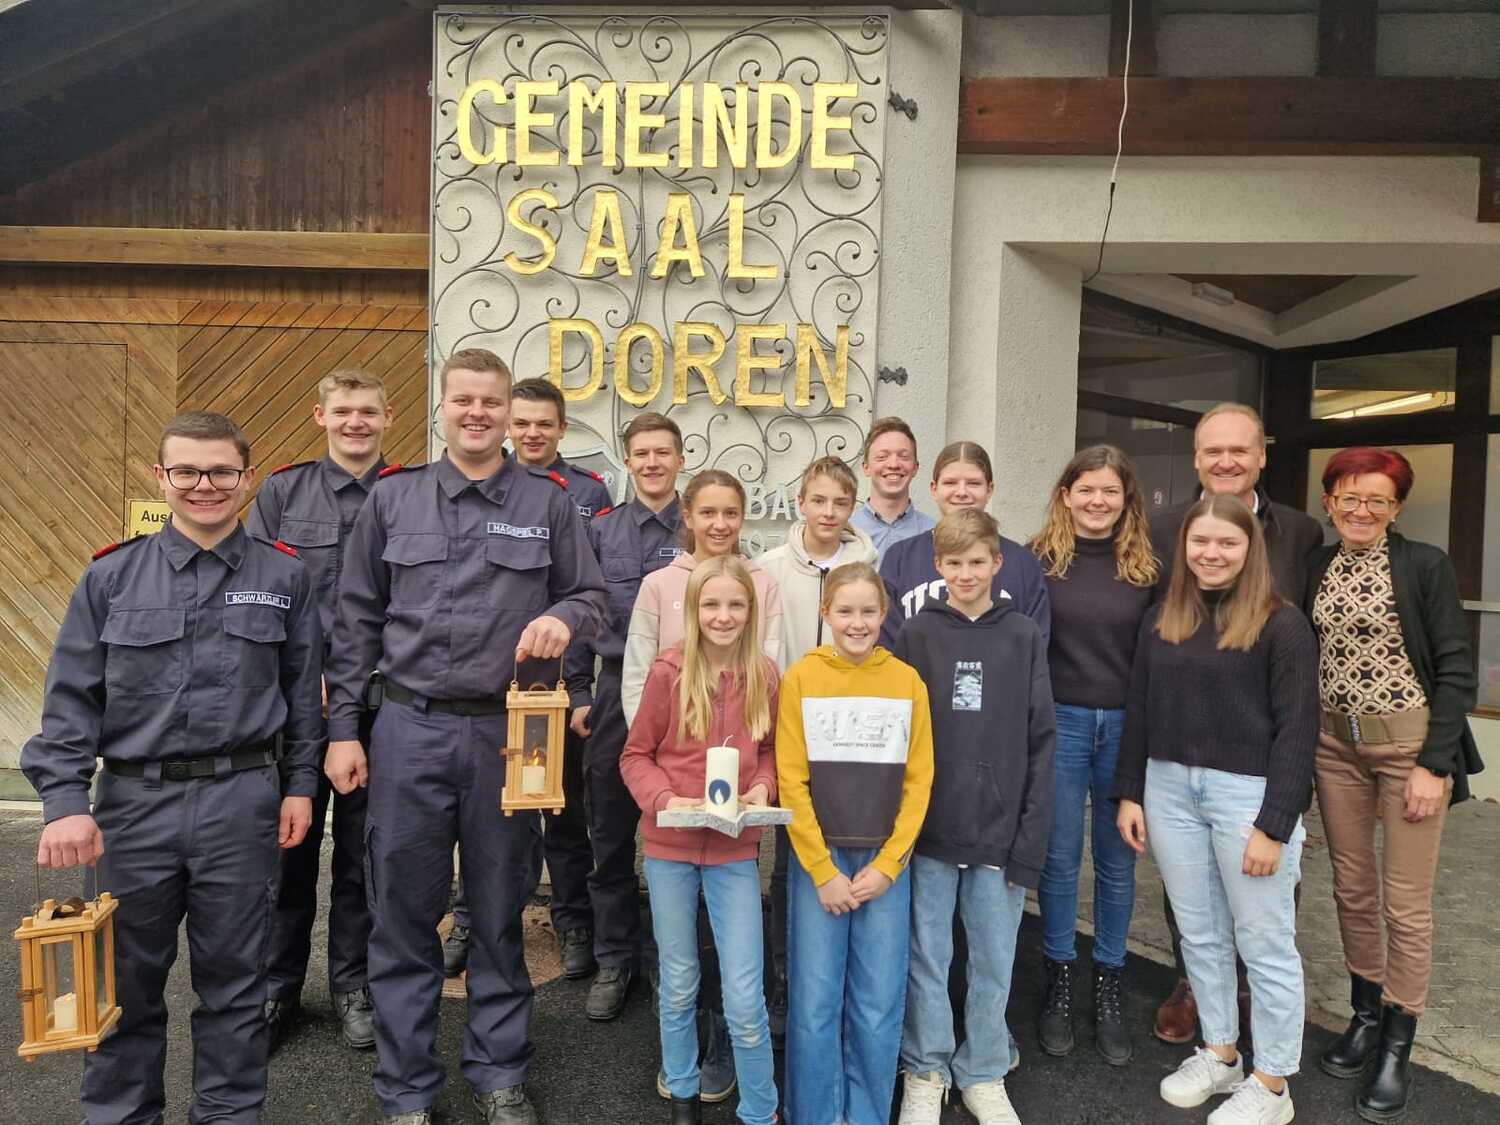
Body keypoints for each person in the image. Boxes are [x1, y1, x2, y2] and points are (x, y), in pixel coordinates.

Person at [323, 347, 606, 1125]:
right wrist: (343, 730)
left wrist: (565, 616)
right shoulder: (394, 499)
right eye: (463, 400)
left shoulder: (548, 503)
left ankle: (499, 1072)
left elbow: (592, 596)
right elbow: (355, 621)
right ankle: (407, 1088)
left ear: (507, 411)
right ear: (442, 407)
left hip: (510, 736)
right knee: (403, 916)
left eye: (490, 401)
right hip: (408, 729)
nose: (477, 413)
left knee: (499, 911)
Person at [22, 411, 323, 1124]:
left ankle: (227, 1115)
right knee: (120, 988)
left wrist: (301, 786)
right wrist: (65, 802)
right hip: (133, 808)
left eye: (221, 471)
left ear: (248, 478)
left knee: (237, 989)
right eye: (186, 470)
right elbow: (70, 700)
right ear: (161, 477)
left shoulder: (286, 576)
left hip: (242, 803)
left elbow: (303, 695)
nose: (204, 485)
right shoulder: (111, 576)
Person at [1114, 495, 1318, 1125]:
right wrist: (1130, 791)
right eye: (1200, 541)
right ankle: (1222, 1052)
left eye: (1227, 543)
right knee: (1199, 933)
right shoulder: (1162, 618)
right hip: (1169, 789)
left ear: (1250, 549)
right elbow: (1140, 708)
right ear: (1184, 548)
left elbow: (1298, 730)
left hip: (1247, 796)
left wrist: (1274, 824)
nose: (1212, 553)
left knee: (1264, 942)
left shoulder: (1282, 624)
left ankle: (1273, 1084)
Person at [1305, 447, 1483, 1122]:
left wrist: (1436, 765)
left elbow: (1457, 667)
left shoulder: (1424, 565)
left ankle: (1397, 1042)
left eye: (1377, 499)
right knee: (1351, 888)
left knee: (1405, 905)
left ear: (1396, 507)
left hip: (1409, 750)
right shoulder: (1317, 564)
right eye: (1349, 497)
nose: (1362, 510)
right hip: (1334, 747)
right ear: (1330, 501)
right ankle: (1365, 1015)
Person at [1147, 403, 1322, 1046]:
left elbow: (1307, 649)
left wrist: (1284, 804)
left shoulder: (1300, 533)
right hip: (1182, 749)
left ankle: (1255, 1006)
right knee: (1192, 898)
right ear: (1196, 458)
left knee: (1264, 902)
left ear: (1262, 456)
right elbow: (1151, 639)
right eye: (1213, 450)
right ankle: (1196, 987)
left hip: (1257, 753)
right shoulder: (1160, 528)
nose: (1226, 461)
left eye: (1239, 450)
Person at [622, 466, 783, 1104]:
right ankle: (684, 1094)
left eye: (735, 606)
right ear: (692, 610)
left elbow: (768, 753)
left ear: (751, 611)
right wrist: (666, 800)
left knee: (744, 995)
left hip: (735, 851)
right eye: (711, 605)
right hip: (669, 847)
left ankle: (761, 1108)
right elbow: (636, 756)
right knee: (680, 981)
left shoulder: (764, 675)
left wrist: (763, 788)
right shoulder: (668, 673)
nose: (723, 616)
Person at [444, 376, 611, 984]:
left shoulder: (586, 494)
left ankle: (571, 920)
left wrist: (580, 689)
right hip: (499, 690)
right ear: (509, 426)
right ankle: (469, 921)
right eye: (523, 423)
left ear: (563, 428)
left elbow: (587, 596)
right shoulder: (479, 489)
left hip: (555, 688)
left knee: (562, 811)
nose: (533, 433)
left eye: (545, 423)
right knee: (487, 818)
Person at [247, 367, 392, 1053]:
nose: (355, 422)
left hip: (379, 707)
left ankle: (351, 984)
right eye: (343, 411)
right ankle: (278, 985)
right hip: (296, 707)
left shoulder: (407, 493)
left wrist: (358, 680)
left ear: (388, 418)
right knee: (287, 848)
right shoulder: (283, 491)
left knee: (364, 857)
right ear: (320, 416)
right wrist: (304, 678)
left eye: (368, 411)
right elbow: (256, 589)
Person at [894, 510, 1055, 1125]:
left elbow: (1041, 740)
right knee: (927, 956)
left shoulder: (1022, 636)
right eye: (954, 563)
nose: (966, 573)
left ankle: (984, 1069)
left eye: (977, 562)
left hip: (998, 831)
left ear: (997, 563)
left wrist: (1028, 838)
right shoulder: (915, 635)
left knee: (993, 959)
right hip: (930, 829)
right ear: (939, 566)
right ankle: (926, 1067)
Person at [778, 562, 934, 1125]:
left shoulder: (907, 682)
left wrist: (891, 864)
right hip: (819, 863)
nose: (857, 622)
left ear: (885, 614)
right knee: (816, 999)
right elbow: (791, 780)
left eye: (869, 611)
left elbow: (919, 782)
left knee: (877, 1000)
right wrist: (822, 870)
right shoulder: (801, 678)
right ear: (826, 613)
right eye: (845, 611)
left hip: (882, 865)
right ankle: (816, 1114)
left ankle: (866, 1114)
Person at [1027, 446, 1158, 1066]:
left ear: (1126, 498)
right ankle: (1058, 975)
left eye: (1110, 491)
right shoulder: (1037, 561)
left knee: (1116, 862)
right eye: (1087, 490)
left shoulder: (1148, 566)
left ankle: (1108, 980)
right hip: (1062, 723)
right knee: (1057, 860)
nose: (1098, 501)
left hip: (1126, 726)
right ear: (1066, 495)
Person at [564, 411, 687, 1022]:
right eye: (642, 453)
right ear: (628, 461)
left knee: (682, 828)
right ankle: (615, 957)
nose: (652, 463)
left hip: (688, 695)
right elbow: (580, 610)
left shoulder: (702, 527)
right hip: (614, 693)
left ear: (681, 459)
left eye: (663, 452)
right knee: (609, 832)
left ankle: (674, 958)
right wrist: (579, 692)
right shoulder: (601, 530)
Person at [756, 454, 876, 1041]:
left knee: (846, 853)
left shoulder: (868, 564)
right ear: (800, 503)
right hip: (790, 729)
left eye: (841, 503)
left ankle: (843, 987)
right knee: (790, 861)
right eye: (819, 500)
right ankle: (786, 981)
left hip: (851, 736)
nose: (829, 512)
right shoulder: (769, 568)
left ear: (853, 508)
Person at [879, 440, 1049, 648]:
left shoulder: (1022, 563)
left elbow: (1035, 645)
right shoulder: (900, 557)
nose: (961, 492)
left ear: (989, 489)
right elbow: (888, 642)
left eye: (974, 483)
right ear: (934, 489)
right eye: (950, 483)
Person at [849, 417, 935, 564]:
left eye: (904, 456)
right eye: (882, 457)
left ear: (915, 468)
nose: (894, 464)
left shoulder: (933, 533)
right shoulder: (847, 531)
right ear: (866, 467)